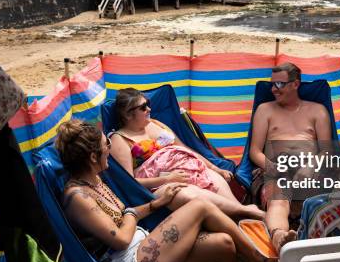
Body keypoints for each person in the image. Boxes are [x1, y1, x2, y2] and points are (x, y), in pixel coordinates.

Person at [54, 119, 272, 262]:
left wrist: (157, 204)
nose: (109, 149)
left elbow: (126, 218)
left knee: (224, 244)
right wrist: (131, 213)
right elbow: (120, 239)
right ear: (93, 157)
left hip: (145, 247)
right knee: (200, 206)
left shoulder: (95, 180)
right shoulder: (78, 198)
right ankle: (259, 260)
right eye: (106, 144)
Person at [109, 88, 264, 220]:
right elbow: (129, 182)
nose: (149, 109)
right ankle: (246, 211)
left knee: (215, 180)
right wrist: (167, 179)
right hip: (161, 185)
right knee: (190, 195)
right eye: (143, 107)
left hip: (192, 169)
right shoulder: (120, 140)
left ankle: (243, 215)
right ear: (128, 115)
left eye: (148, 104)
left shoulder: (156, 124)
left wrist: (215, 168)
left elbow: (185, 148)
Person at [249, 62, 333, 252]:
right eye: (272, 85)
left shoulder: (317, 110)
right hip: (276, 167)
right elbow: (255, 151)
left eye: (279, 84)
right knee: (279, 196)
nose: (273, 90)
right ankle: (280, 237)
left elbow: (327, 151)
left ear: (295, 84)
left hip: (312, 167)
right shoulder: (265, 110)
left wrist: (312, 166)